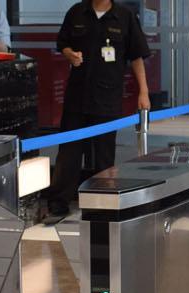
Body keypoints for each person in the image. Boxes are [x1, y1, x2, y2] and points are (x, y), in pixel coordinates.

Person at [44, 0, 152, 223]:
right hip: (77, 96)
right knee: (69, 153)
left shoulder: (124, 16)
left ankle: (103, 204)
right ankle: (58, 203)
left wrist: (144, 91)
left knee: (104, 154)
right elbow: (63, 43)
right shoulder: (76, 12)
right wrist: (69, 54)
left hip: (107, 97)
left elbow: (136, 56)